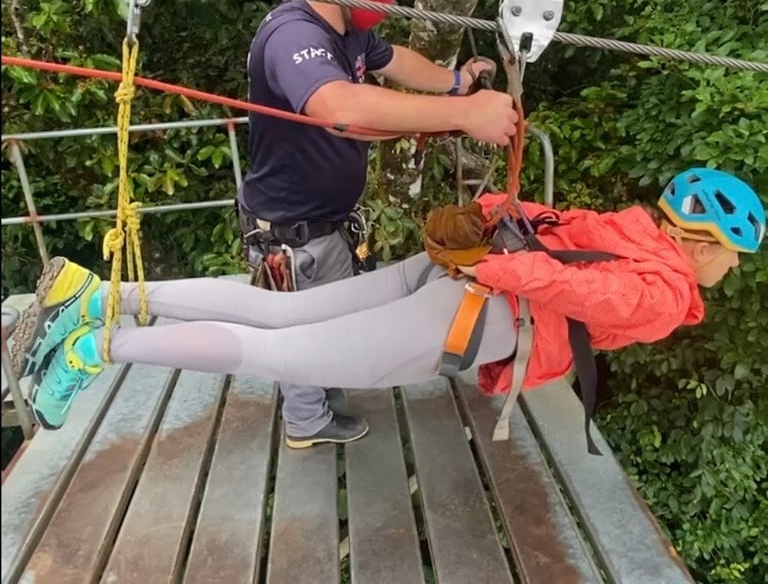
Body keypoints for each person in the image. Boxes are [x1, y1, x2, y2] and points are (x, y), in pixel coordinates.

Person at [13, 167, 764, 439]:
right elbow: (576, 286)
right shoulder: (667, 293)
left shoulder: (630, 230)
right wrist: (503, 266)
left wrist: (492, 216)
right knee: (283, 350)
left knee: (280, 316)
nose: (732, 269)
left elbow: (542, 223)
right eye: (734, 255)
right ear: (702, 244)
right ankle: (91, 346)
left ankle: (97, 291)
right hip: (477, 310)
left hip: (452, 279)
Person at [236, 0, 517, 448]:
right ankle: (306, 424)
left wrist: (457, 82)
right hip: (292, 234)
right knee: (299, 330)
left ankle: (319, 393)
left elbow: (399, 63)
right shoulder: (295, 36)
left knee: (328, 326)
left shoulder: (349, 31)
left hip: (328, 225)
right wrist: (461, 117)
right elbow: (340, 107)